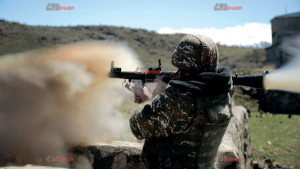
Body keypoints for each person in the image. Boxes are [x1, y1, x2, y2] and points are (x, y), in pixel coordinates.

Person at [129, 34, 233, 169]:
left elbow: (137, 125)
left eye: (183, 69)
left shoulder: (181, 99)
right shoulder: (223, 92)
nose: (179, 72)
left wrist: (155, 95)